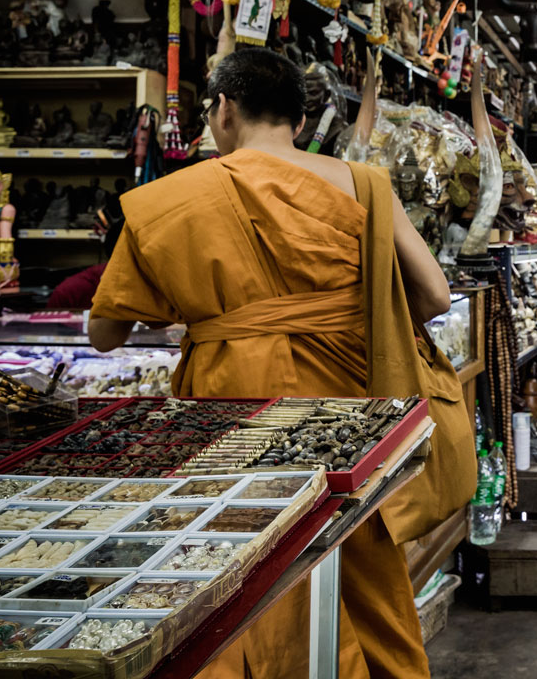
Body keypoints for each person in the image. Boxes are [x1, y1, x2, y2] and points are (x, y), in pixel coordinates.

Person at [89, 47, 470, 679]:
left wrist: (204, 307)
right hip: (350, 408)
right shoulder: (363, 184)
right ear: (299, 119)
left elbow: (105, 333)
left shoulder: (171, 198)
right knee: (354, 546)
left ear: (225, 109)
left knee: (240, 553)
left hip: (233, 406)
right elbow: (432, 295)